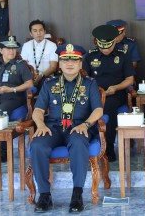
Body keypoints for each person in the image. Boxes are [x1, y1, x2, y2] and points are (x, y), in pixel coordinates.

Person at [29, 44, 103, 213]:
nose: (70, 63)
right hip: (53, 127)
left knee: (78, 143)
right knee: (37, 145)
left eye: (75, 60)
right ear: (60, 64)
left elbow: (98, 109)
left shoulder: (90, 84)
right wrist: (40, 125)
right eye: (65, 60)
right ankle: (44, 195)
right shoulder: (49, 84)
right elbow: (38, 110)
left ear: (80, 64)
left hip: (79, 126)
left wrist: (86, 124)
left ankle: (77, 195)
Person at [82, 25, 135, 162]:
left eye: (108, 46)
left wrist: (116, 88)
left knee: (108, 107)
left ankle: (108, 147)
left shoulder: (123, 56)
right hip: (94, 94)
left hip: (115, 94)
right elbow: (83, 79)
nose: (106, 49)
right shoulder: (89, 56)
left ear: (114, 42)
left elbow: (130, 79)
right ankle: (89, 142)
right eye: (102, 47)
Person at [0, 36, 34, 162]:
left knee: (0, 112)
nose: (11, 51)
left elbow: (29, 84)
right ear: (1, 50)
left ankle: (2, 153)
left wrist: (11, 89)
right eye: (8, 48)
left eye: (13, 49)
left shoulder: (20, 65)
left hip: (13, 97)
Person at [21, 20, 58, 89]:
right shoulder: (26, 45)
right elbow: (23, 64)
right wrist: (32, 74)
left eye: (41, 30)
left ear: (45, 31)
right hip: (29, 76)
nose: (38, 33)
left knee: (46, 84)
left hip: (46, 76)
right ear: (31, 33)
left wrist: (41, 76)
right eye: (35, 31)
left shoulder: (52, 45)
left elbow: (53, 67)